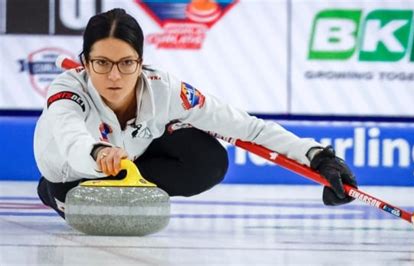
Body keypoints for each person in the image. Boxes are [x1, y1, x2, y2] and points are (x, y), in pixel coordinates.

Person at [34, 8, 357, 218]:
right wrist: (98, 151)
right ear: (85, 61)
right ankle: (56, 194)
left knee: (207, 160)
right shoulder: (68, 90)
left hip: (132, 160)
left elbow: (247, 127)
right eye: (102, 63)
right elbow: (70, 138)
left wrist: (316, 156)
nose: (115, 76)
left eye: (127, 63)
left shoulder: (164, 89)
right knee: (68, 192)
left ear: (141, 60)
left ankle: (129, 190)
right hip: (73, 174)